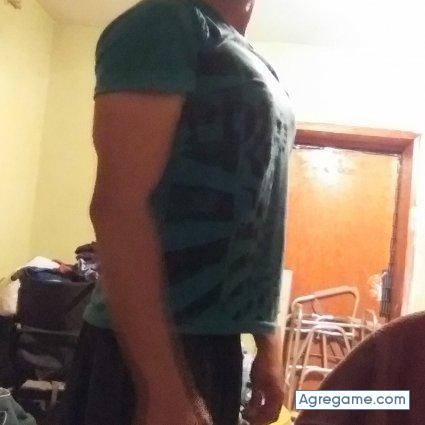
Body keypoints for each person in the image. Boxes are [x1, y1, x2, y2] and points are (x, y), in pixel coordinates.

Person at [63, 0, 295, 424]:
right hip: (145, 352)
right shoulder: (166, 22)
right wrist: (162, 388)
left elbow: (260, 215)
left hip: (216, 343)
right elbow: (119, 208)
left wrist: (268, 347)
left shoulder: (253, 60)